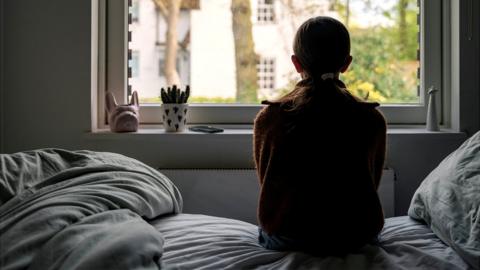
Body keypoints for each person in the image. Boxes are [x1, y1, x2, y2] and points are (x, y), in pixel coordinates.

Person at [253, 16, 387, 256]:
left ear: (296, 63)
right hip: (354, 236)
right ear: (346, 64)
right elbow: (371, 183)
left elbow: (268, 183)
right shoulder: (371, 119)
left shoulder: (271, 118)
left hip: (289, 237)